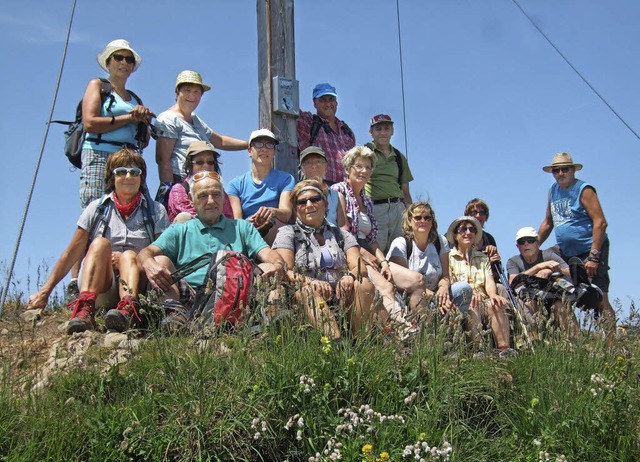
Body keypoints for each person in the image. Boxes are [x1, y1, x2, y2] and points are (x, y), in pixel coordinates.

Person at [28, 150, 169, 334]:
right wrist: (45, 291)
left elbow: (160, 254)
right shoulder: (96, 208)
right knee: (99, 243)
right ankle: (85, 308)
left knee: (129, 256)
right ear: (112, 177)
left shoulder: (155, 211)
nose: (128, 176)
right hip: (103, 284)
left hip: (139, 284)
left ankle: (128, 310)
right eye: (121, 171)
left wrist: (128, 260)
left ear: (142, 178)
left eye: (135, 172)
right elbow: (72, 252)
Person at [137, 171, 285, 332]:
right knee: (158, 261)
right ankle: (175, 318)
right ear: (190, 200)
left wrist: (277, 263)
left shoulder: (243, 227)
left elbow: (267, 253)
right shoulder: (179, 230)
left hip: (236, 295)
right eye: (202, 196)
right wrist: (148, 263)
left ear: (224, 197)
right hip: (191, 298)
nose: (210, 201)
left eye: (216, 194)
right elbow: (146, 253)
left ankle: (274, 320)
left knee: (270, 268)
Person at [70, 39, 155, 299]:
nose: (124, 63)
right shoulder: (97, 85)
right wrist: (131, 117)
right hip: (98, 153)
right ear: (108, 62)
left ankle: (127, 276)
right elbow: (90, 122)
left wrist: (143, 121)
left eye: (129, 59)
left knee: (138, 210)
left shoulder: (135, 99)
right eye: (118, 57)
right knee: (92, 214)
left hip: (128, 158)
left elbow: (144, 139)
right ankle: (77, 282)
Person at [272, 180, 377, 339]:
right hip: (306, 296)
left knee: (364, 284)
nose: (309, 205)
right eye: (301, 202)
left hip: (342, 294)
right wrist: (310, 282)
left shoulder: (342, 235)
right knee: (308, 291)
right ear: (295, 208)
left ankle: (360, 342)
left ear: (326, 203)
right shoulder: (287, 233)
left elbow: (359, 267)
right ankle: (335, 345)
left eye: (315, 199)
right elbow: (286, 271)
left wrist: (350, 277)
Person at [332, 146, 419, 331]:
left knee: (415, 280)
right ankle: (403, 332)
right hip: (351, 253)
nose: (364, 171)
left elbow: (372, 239)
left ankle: (423, 326)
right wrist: (363, 255)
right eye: (359, 166)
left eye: (368, 167)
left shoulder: (367, 200)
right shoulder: (338, 192)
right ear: (347, 169)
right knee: (386, 287)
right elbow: (342, 232)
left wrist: (383, 261)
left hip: (370, 252)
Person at [537, 152, 615, 337]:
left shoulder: (584, 189)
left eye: (565, 169)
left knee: (599, 296)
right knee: (546, 261)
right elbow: (548, 222)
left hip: (590, 250)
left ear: (573, 170)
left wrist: (594, 256)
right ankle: (574, 339)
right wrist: (533, 246)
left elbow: (600, 222)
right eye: (556, 170)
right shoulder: (553, 190)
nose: (561, 173)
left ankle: (614, 345)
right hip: (566, 252)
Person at [153, 70, 248, 205]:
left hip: (200, 183)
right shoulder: (168, 119)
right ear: (177, 93)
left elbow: (218, 140)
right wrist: (170, 193)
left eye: (197, 92)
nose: (192, 95)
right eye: (187, 90)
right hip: (180, 182)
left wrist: (249, 144)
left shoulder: (195, 119)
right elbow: (163, 160)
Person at [387, 202, 472, 318]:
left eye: (427, 218)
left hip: (438, 294)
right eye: (418, 218)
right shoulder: (401, 244)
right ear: (410, 222)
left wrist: (443, 289)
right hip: (410, 296)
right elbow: (403, 285)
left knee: (464, 289)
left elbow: (445, 276)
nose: (423, 221)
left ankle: (453, 324)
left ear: (432, 222)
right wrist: (436, 297)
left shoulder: (440, 242)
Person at [447, 216, 512, 355]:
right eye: (463, 229)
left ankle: (504, 350)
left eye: (472, 229)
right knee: (472, 305)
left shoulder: (482, 258)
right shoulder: (449, 257)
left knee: (495, 304)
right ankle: (478, 349)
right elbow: (451, 281)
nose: (468, 232)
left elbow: (489, 280)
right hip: (462, 301)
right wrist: (469, 292)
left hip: (483, 298)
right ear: (455, 235)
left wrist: (493, 295)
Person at [506, 227, 579, 339]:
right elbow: (513, 283)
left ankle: (574, 343)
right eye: (522, 242)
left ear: (537, 242)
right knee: (530, 304)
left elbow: (569, 271)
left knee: (561, 306)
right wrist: (539, 267)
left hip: (553, 297)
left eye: (530, 240)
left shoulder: (548, 255)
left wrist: (551, 270)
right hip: (529, 299)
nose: (526, 244)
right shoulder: (513, 261)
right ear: (517, 246)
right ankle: (535, 341)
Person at [227, 129, 295, 245]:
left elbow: (286, 214)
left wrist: (272, 212)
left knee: (277, 227)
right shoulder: (235, 184)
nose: (264, 148)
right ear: (249, 150)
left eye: (269, 145)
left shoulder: (286, 179)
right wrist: (248, 224)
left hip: (274, 229)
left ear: (274, 152)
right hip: (247, 232)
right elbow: (237, 220)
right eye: (258, 144)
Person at [365, 114, 413, 253]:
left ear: (392, 131)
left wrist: (410, 215)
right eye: (378, 129)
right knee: (376, 254)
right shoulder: (365, 152)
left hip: (398, 209)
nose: (383, 132)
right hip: (375, 208)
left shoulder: (399, 156)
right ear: (371, 133)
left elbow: (405, 191)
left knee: (399, 253)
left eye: (387, 128)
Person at [296, 83, 356, 185]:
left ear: (336, 102)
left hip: (345, 189)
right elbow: (290, 109)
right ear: (315, 103)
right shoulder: (309, 122)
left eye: (331, 99)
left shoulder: (347, 131)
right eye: (323, 100)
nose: (328, 104)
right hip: (318, 186)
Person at [167, 140, 233, 223]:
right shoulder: (179, 189)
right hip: (191, 233)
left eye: (210, 162)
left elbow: (229, 218)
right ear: (190, 165)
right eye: (199, 162)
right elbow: (192, 219)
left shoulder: (221, 191)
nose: (206, 166)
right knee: (184, 217)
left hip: (220, 233)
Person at [298, 146, 342, 226]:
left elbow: (343, 227)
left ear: (326, 167)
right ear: (302, 169)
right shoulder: (297, 195)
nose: (314, 166)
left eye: (318, 161)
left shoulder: (337, 196)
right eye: (308, 163)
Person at [464, 198, 502, 282]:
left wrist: (494, 261)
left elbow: (496, 275)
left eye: (482, 213)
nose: (478, 216)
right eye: (474, 212)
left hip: (487, 282)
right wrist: (487, 262)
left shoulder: (489, 238)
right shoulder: (459, 235)